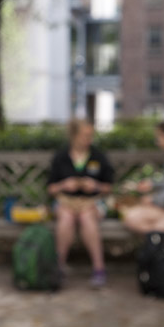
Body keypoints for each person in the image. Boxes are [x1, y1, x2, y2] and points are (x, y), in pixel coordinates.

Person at [46, 119, 114, 288]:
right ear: (73, 136)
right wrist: (64, 185)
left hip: (92, 203)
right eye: (85, 136)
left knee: (86, 216)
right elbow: (50, 188)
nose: (89, 139)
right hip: (65, 202)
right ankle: (59, 267)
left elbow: (109, 187)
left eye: (91, 135)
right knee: (67, 217)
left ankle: (99, 269)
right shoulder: (61, 157)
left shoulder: (98, 156)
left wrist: (95, 186)